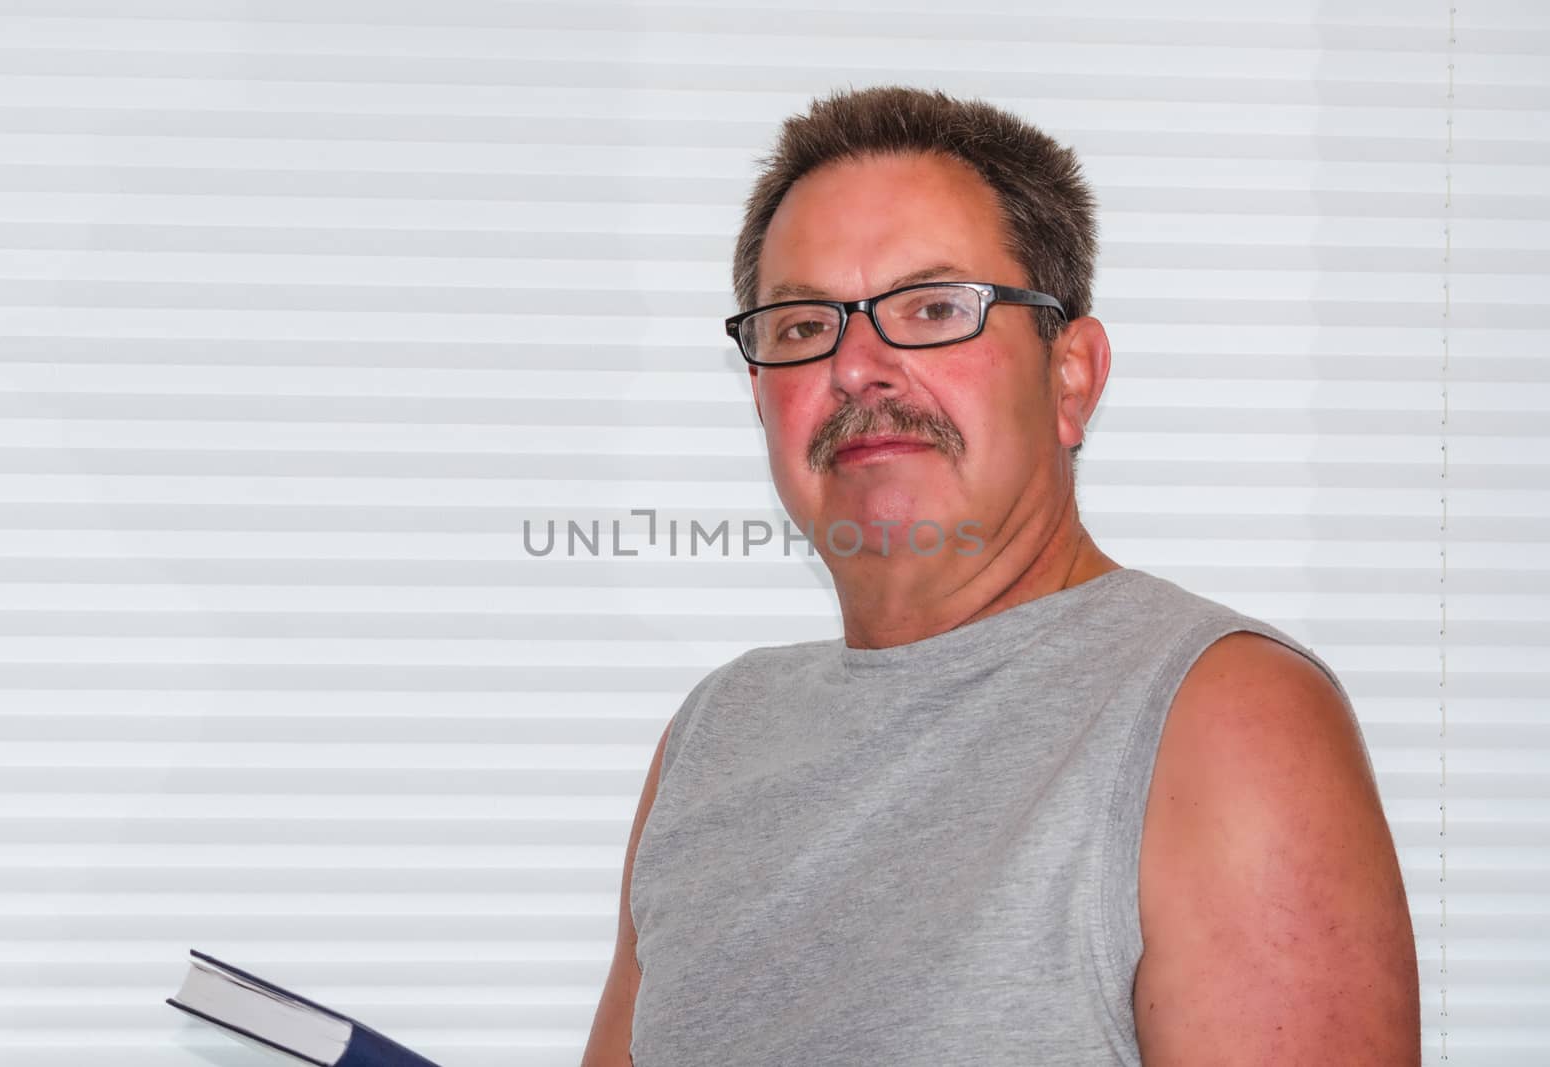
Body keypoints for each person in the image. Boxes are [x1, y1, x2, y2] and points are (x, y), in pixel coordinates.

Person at [581, 86, 1419, 1066]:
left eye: (933, 307)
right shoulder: (712, 735)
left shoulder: (1220, 714)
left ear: (1070, 375)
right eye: (804, 325)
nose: (858, 367)